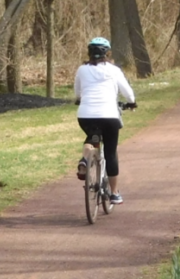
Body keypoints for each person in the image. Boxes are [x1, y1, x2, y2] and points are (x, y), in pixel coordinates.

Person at [74, 36, 136, 205]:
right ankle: (114, 193)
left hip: (86, 115)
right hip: (109, 116)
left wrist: (80, 99)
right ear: (107, 53)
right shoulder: (113, 70)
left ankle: (84, 161)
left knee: (92, 138)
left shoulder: (82, 70)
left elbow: (78, 92)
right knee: (110, 152)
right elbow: (127, 92)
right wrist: (132, 102)